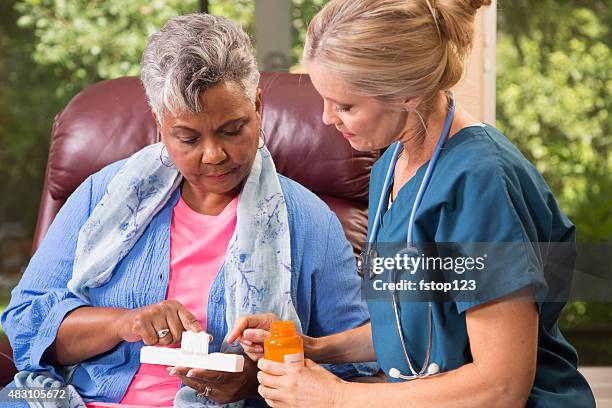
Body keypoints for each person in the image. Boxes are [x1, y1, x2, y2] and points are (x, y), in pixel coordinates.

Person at [228, 0, 596, 406]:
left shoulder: (480, 182)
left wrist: (336, 397)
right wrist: (314, 347)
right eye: (325, 100)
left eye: (345, 105)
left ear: (408, 94)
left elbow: (501, 386)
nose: (327, 118)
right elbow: (415, 325)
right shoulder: (390, 167)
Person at [0, 13, 375, 408]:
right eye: (188, 137)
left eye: (232, 129)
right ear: (159, 124)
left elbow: (355, 369)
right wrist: (123, 323)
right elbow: (26, 324)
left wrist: (255, 383)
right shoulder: (101, 195)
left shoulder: (309, 220)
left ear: (257, 106)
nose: (214, 155)